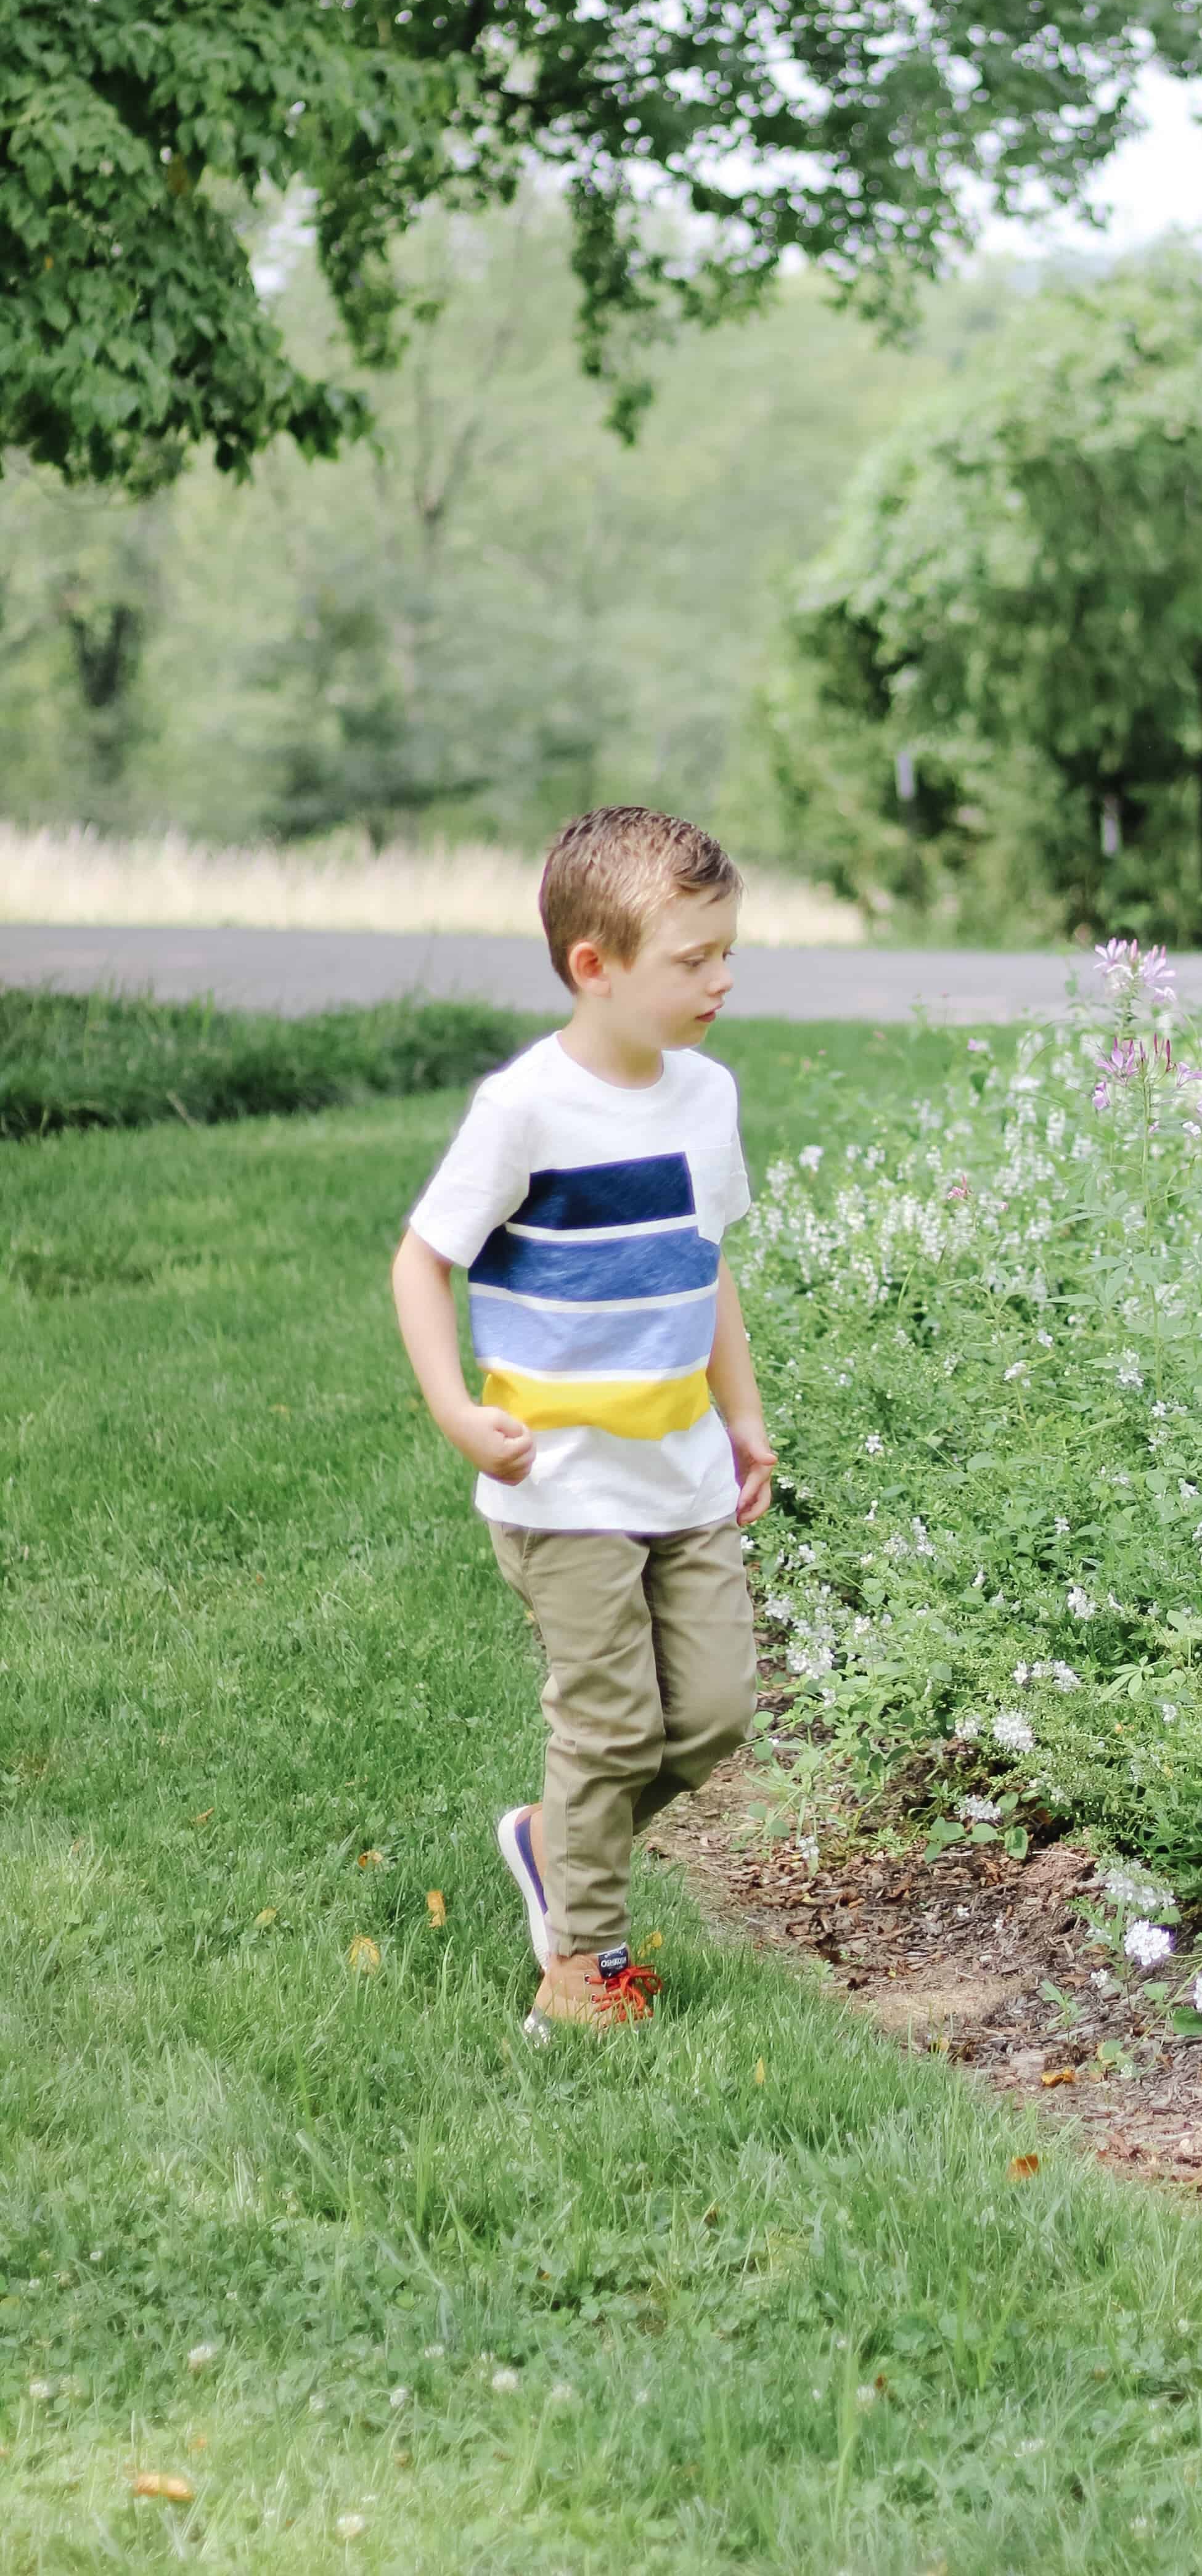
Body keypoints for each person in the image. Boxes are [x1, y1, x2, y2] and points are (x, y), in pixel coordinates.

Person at [391, 806, 774, 2034]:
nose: (721, 979)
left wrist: (744, 1420)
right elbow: (419, 1261)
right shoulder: (526, 1111)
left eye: (727, 954)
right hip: (562, 1486)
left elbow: (705, 1264)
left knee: (713, 1715)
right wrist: (458, 1411)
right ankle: (581, 1975)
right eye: (693, 960)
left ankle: (555, 1843)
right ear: (593, 969)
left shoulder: (705, 1098)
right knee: (610, 1725)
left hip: (681, 1472)